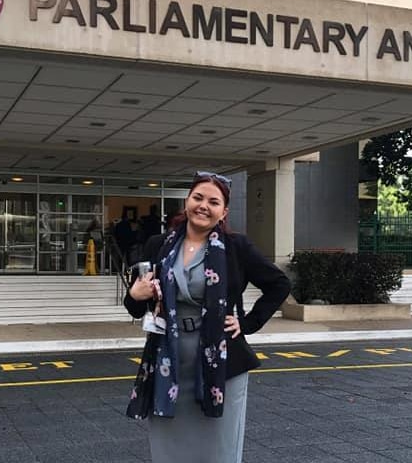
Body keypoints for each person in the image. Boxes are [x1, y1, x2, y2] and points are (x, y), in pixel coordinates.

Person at [123, 171, 291, 463]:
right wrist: (134, 295)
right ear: (187, 201)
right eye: (197, 197)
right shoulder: (159, 245)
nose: (203, 205)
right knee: (168, 445)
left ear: (224, 211)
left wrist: (247, 323)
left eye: (213, 201)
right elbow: (137, 306)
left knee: (218, 450)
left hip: (221, 363)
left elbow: (279, 284)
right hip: (168, 360)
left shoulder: (236, 248)